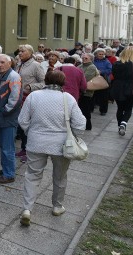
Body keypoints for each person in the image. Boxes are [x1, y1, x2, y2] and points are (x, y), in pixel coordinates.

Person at [17, 70, 86, 226]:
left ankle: (27, 209)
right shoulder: (67, 98)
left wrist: (31, 131)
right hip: (61, 145)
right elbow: (80, 123)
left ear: (46, 81)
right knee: (60, 177)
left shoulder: (33, 96)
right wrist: (75, 135)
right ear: (63, 83)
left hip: (36, 143)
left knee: (32, 175)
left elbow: (22, 120)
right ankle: (57, 206)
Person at [0, 54, 22, 184]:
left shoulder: (14, 76)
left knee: (7, 147)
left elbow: (15, 99)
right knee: (3, 145)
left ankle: (9, 174)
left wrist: (4, 111)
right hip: (2, 118)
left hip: (8, 119)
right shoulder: (3, 76)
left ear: (10, 63)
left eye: (2, 62)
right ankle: (6, 169)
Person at [15, 44, 45, 162]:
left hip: (30, 98)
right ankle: (24, 148)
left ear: (30, 52)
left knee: (29, 126)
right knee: (22, 125)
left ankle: (30, 152)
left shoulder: (36, 65)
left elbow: (44, 82)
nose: (20, 53)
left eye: (22, 51)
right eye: (19, 51)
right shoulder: (19, 64)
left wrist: (30, 86)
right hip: (19, 98)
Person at [111, 46, 133, 136]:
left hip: (117, 88)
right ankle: (123, 123)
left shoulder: (116, 64)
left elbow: (114, 74)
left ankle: (119, 126)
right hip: (129, 88)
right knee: (128, 108)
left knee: (120, 108)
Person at [79, 53, 98, 130]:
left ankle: (88, 125)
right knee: (81, 108)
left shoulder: (92, 67)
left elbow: (85, 78)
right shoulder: (81, 66)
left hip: (87, 91)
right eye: (83, 58)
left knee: (86, 109)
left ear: (91, 59)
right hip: (80, 90)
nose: (84, 59)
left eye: (86, 58)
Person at [93, 48, 113, 116]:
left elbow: (110, 69)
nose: (101, 55)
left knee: (104, 96)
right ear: (96, 54)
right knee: (93, 94)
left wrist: (101, 71)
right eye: (99, 54)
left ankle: (103, 110)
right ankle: (91, 107)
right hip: (94, 78)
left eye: (102, 54)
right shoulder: (93, 61)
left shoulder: (106, 61)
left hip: (103, 79)